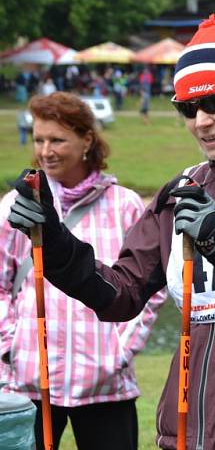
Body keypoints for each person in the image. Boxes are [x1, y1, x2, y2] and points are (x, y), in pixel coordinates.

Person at [7, 16, 215, 450]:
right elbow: (121, 293)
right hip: (184, 431)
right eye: (188, 107)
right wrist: (51, 239)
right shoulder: (180, 190)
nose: (201, 121)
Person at [1, 92, 166, 450]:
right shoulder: (17, 205)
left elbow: (150, 285)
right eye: (40, 139)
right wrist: (9, 349)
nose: (46, 151)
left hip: (105, 383)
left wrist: (121, 351)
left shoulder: (124, 204)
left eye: (58, 139)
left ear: (87, 139)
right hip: (30, 380)